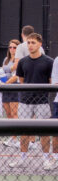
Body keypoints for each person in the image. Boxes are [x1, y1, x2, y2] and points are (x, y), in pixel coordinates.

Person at [11, 32, 56, 169]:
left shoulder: (49, 62)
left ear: (40, 44)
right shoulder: (23, 62)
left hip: (42, 102)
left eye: (33, 42)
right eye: (28, 42)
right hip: (25, 101)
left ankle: (46, 158)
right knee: (24, 130)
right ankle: (22, 158)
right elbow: (22, 81)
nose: (30, 45)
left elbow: (50, 82)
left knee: (44, 132)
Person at [0, 40, 21, 135]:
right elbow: (1, 72)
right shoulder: (6, 60)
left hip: (14, 88)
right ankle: (12, 137)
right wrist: (4, 82)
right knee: (8, 113)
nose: (12, 49)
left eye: (14, 47)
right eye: (10, 47)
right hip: (5, 88)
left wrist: (6, 83)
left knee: (14, 113)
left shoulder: (20, 60)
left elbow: (17, 75)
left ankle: (16, 136)